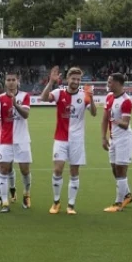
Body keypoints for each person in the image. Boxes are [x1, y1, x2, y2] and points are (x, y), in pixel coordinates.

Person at [40, 66, 97, 215]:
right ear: (67, 79)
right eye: (73, 78)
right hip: (60, 138)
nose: (76, 81)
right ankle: (56, 202)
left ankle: (71, 205)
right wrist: (51, 82)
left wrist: (91, 97)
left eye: (78, 79)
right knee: (58, 169)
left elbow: (94, 113)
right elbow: (44, 98)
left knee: (74, 172)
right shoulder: (59, 92)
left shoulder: (84, 95)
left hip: (77, 140)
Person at [0, 72, 32, 213]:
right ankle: (5, 202)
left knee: (24, 170)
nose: (10, 82)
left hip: (22, 140)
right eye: (8, 80)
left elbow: (26, 115)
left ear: (17, 81)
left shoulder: (24, 96)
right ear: (5, 82)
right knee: (3, 169)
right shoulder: (0, 98)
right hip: (6, 140)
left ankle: (26, 194)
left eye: (13, 80)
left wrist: (15, 104)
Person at [102, 73, 132, 212]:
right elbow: (104, 119)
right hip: (113, 139)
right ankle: (127, 195)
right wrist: (103, 137)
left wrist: (114, 120)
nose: (108, 84)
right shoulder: (109, 97)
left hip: (124, 140)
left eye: (110, 82)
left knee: (121, 171)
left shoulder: (126, 101)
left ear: (118, 83)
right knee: (115, 170)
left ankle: (118, 203)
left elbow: (126, 124)